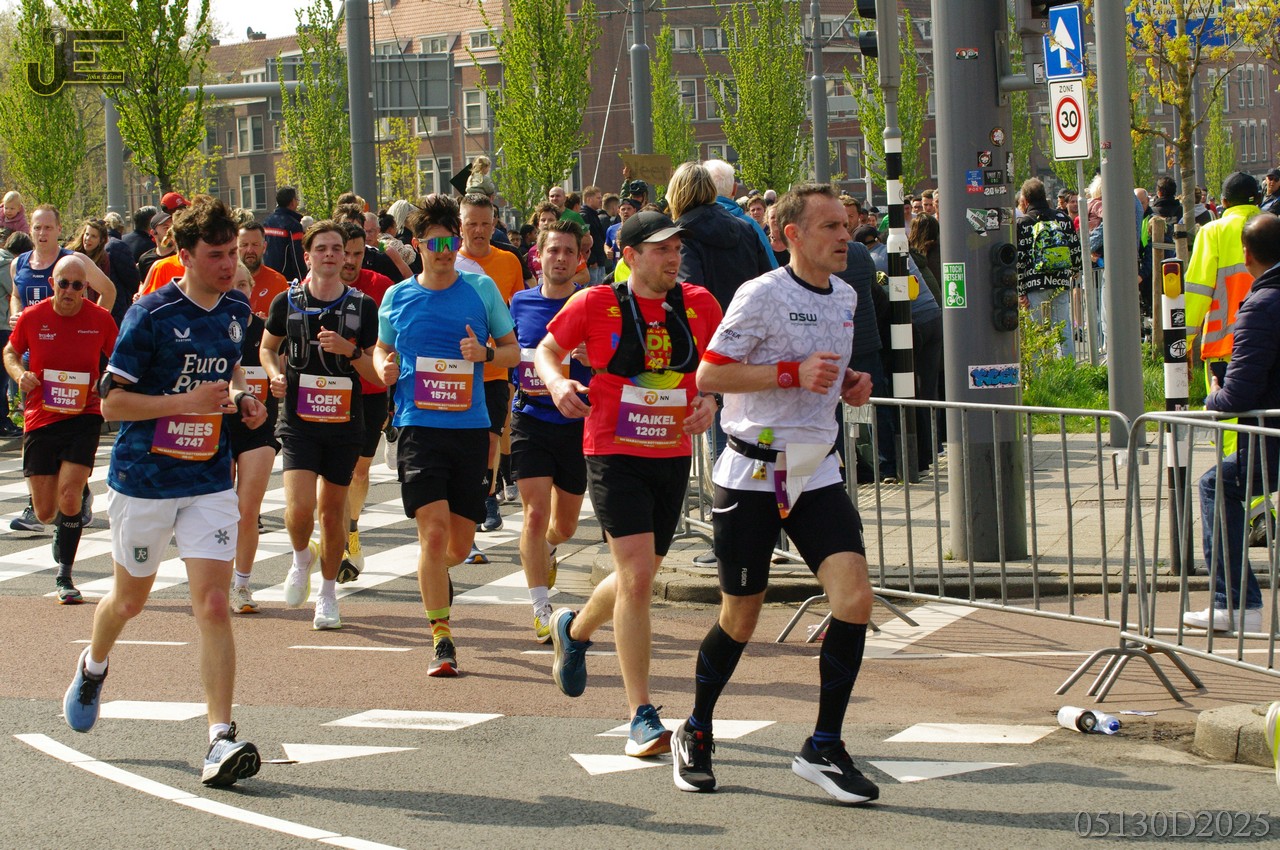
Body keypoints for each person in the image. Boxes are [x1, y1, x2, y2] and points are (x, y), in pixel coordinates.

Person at [669, 183, 878, 804]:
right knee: (741, 615)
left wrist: (849, 382)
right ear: (792, 234)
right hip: (754, 469)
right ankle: (696, 728)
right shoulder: (761, 294)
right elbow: (710, 372)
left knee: (855, 599)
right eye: (830, 226)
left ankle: (824, 745)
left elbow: (826, 369)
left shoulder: (846, 294)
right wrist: (791, 373)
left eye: (846, 225)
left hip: (813, 467)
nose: (845, 236)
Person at [60, 195, 267, 787]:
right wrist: (185, 402)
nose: (228, 265)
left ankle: (219, 738)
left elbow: (229, 368)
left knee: (214, 604)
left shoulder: (236, 308)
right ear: (185, 255)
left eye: (232, 254)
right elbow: (111, 403)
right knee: (129, 601)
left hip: (207, 478)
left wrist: (243, 398)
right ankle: (94, 665)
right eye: (216, 255)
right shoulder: (149, 314)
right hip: (145, 480)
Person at [538, 210, 722, 757]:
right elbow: (547, 350)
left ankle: (573, 630)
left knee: (636, 575)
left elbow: (718, 367)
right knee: (638, 578)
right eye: (661, 249)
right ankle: (641, 715)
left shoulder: (699, 304)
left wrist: (711, 399)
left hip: (671, 452)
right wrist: (557, 383)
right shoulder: (595, 302)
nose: (673, 258)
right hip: (613, 451)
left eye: (677, 248)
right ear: (631, 255)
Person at [373, 194, 518, 677]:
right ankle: (441, 637)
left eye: (450, 242)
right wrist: (384, 367)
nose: (444, 251)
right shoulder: (397, 297)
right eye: (434, 243)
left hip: (469, 429)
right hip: (418, 427)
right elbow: (380, 350)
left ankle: (437, 574)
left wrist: (485, 355)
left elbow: (513, 352)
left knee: (457, 547)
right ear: (417, 245)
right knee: (432, 535)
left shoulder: (480, 289)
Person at [260, 221, 383, 631]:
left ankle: (328, 594)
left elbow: (376, 372)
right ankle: (301, 558)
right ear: (308, 255)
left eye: (337, 248)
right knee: (298, 508)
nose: (330, 254)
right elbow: (267, 347)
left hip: (344, 421)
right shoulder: (287, 301)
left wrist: (350, 351)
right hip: (299, 418)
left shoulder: (363, 307)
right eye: (322, 248)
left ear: (345, 256)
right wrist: (274, 375)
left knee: (331, 515)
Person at [1185, 213, 1280, 635]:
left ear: (1246, 254)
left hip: (1270, 438)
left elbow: (1236, 397)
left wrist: (1213, 393)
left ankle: (1236, 602)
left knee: (1216, 486)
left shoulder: (1260, 307)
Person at [3, 254, 117, 602]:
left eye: (77, 285)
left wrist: (107, 381)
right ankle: (68, 515)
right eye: (63, 284)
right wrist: (20, 375)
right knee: (45, 511)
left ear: (86, 289)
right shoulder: (33, 317)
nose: (69, 291)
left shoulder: (99, 319)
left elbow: (120, 359)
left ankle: (65, 576)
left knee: (68, 496)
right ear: (52, 284)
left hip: (84, 415)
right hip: (42, 415)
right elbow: (10, 352)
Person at [508, 220, 592, 641]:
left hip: (577, 423)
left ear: (580, 259)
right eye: (553, 250)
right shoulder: (519, 302)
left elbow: (619, 361)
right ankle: (541, 607)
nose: (560, 258)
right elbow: (509, 356)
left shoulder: (593, 303)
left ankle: (548, 549)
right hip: (531, 418)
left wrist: (594, 356)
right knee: (535, 514)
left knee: (565, 526)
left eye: (568, 251)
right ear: (538, 256)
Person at [455, 193, 526, 545]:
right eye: (472, 224)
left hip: (494, 367)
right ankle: (464, 499)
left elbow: (519, 310)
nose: (479, 230)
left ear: (495, 223)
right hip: (454, 371)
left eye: (485, 223)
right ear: (460, 226)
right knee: (460, 442)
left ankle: (489, 496)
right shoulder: (449, 261)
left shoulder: (509, 261)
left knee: (491, 438)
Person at [333, 223, 396, 583]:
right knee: (333, 471)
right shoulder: (317, 285)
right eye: (346, 253)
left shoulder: (380, 287)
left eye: (358, 254)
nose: (351, 261)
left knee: (359, 470)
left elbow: (392, 341)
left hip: (370, 392)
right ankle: (341, 542)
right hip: (330, 390)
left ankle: (351, 528)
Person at [221, 262, 280, 614]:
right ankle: (217, 579)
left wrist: (282, 381)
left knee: (247, 509)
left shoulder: (267, 331)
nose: (239, 291)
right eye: (233, 284)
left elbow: (285, 367)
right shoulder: (212, 329)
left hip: (259, 430)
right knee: (221, 508)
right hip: (219, 427)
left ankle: (241, 585)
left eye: (244, 284)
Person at [1015, 178, 1081, 356]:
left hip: (1034, 284)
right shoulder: (1062, 219)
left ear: (1025, 200)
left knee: (1036, 333)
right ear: (1044, 195)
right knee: (1062, 330)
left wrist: (1020, 291)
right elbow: (1075, 247)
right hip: (1060, 281)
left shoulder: (1023, 223)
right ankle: (1067, 369)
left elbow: (1020, 259)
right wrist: (1075, 270)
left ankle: (1038, 372)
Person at [238, 222, 289, 318]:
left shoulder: (278, 283)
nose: (250, 250)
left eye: (255, 244)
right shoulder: (224, 282)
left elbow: (287, 322)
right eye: (244, 245)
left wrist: (268, 324)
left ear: (264, 247)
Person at [263, 186, 307, 281]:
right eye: (297, 199)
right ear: (292, 202)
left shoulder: (267, 221)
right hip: (286, 279)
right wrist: (302, 278)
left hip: (267, 275)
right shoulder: (294, 225)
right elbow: (297, 255)